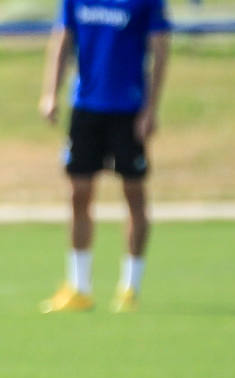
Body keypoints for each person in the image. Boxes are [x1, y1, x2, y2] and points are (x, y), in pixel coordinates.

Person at [39, 0, 171, 313]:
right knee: (78, 193)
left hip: (128, 109)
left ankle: (130, 287)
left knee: (133, 193)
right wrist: (50, 93)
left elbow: (160, 50)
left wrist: (151, 108)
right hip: (86, 108)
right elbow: (62, 40)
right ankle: (79, 287)